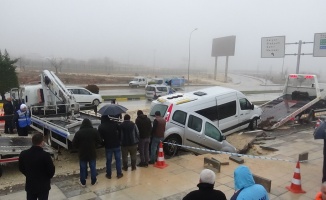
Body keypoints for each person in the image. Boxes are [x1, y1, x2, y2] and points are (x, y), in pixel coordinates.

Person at [19, 133, 55, 200]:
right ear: (41, 143)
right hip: (43, 185)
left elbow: (21, 168)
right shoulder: (45, 155)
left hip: (31, 184)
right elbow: (51, 171)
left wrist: (28, 174)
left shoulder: (23, 154)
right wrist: (46, 177)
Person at [72, 119, 101, 186]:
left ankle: (83, 182)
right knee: (93, 167)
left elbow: (74, 143)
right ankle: (93, 181)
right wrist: (95, 145)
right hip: (92, 152)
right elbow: (99, 141)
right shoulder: (94, 131)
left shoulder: (78, 133)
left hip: (82, 153)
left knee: (82, 168)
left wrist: (78, 148)